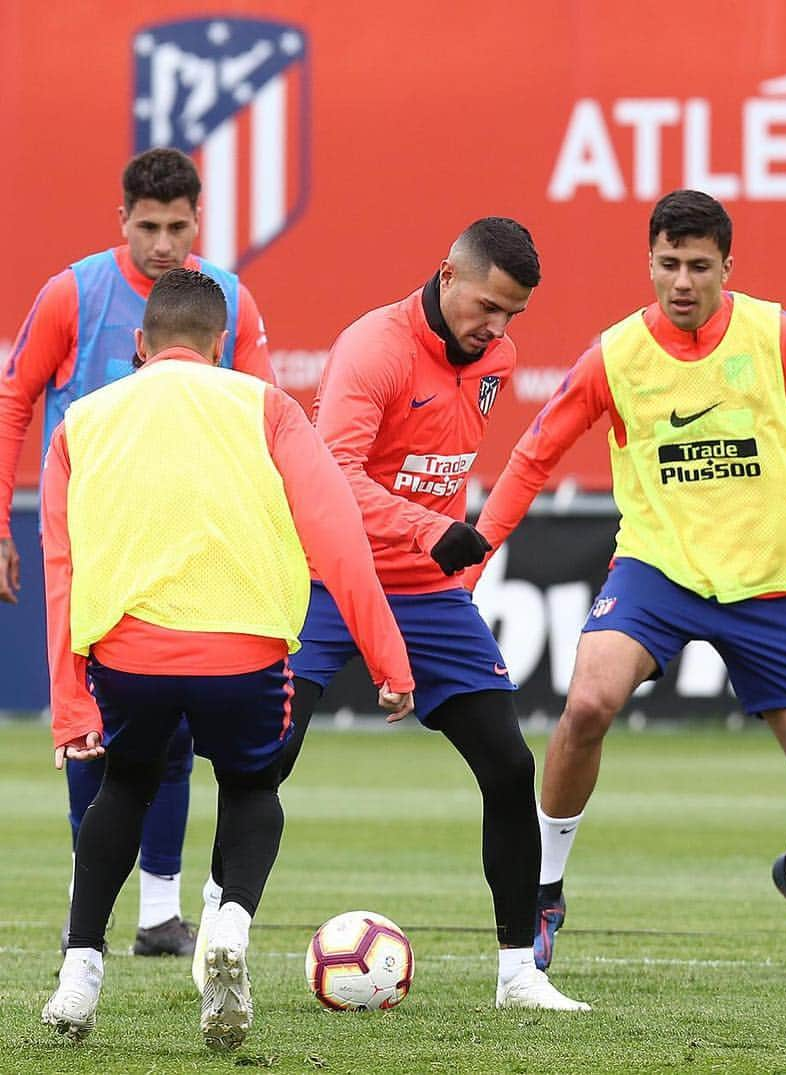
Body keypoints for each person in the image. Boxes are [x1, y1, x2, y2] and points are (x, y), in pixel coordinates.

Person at [463, 190, 786, 976]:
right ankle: (543, 889)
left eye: (699, 266)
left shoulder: (778, 336)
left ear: (726, 268)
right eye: (668, 264)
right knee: (586, 704)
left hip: (767, 587)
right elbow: (532, 458)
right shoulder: (614, 356)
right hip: (657, 570)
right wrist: (469, 568)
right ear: (649, 262)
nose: (682, 281)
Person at [194, 218, 589, 1012]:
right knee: (268, 755)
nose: (498, 329)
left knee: (511, 769)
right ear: (447, 274)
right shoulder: (370, 350)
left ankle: (518, 973)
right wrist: (428, 527)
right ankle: (217, 929)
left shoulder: (496, 359)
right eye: (487, 306)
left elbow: (443, 468)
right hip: (324, 575)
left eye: (512, 315)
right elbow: (334, 478)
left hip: (428, 592)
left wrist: (453, 553)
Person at [40, 268, 413, 1050]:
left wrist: (71, 699)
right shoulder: (266, 406)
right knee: (250, 785)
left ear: (140, 346)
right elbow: (338, 536)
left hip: (129, 651)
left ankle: (79, 971)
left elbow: (61, 564)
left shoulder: (83, 420)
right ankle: (230, 926)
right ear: (223, 346)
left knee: (126, 785)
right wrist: (388, 656)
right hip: (244, 653)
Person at [0, 147, 276, 958]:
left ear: (199, 222)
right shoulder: (72, 293)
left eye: (178, 226)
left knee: (177, 727)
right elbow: (16, 398)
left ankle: (159, 913)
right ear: (121, 221)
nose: (163, 242)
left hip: (190, 536)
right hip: (91, 534)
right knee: (91, 723)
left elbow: (261, 418)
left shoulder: (227, 299)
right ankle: (91, 905)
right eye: (148, 226)